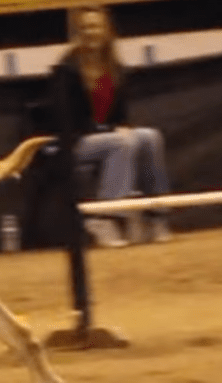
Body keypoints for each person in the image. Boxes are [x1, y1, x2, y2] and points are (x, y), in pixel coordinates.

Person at [54, 4, 172, 247]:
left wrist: (123, 126)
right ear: (78, 31)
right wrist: (112, 131)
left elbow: (120, 116)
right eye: (85, 27)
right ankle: (104, 218)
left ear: (106, 30)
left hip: (107, 136)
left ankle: (155, 216)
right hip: (75, 141)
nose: (91, 32)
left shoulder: (115, 67)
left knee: (150, 137)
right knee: (122, 142)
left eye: (95, 26)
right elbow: (65, 120)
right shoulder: (67, 69)